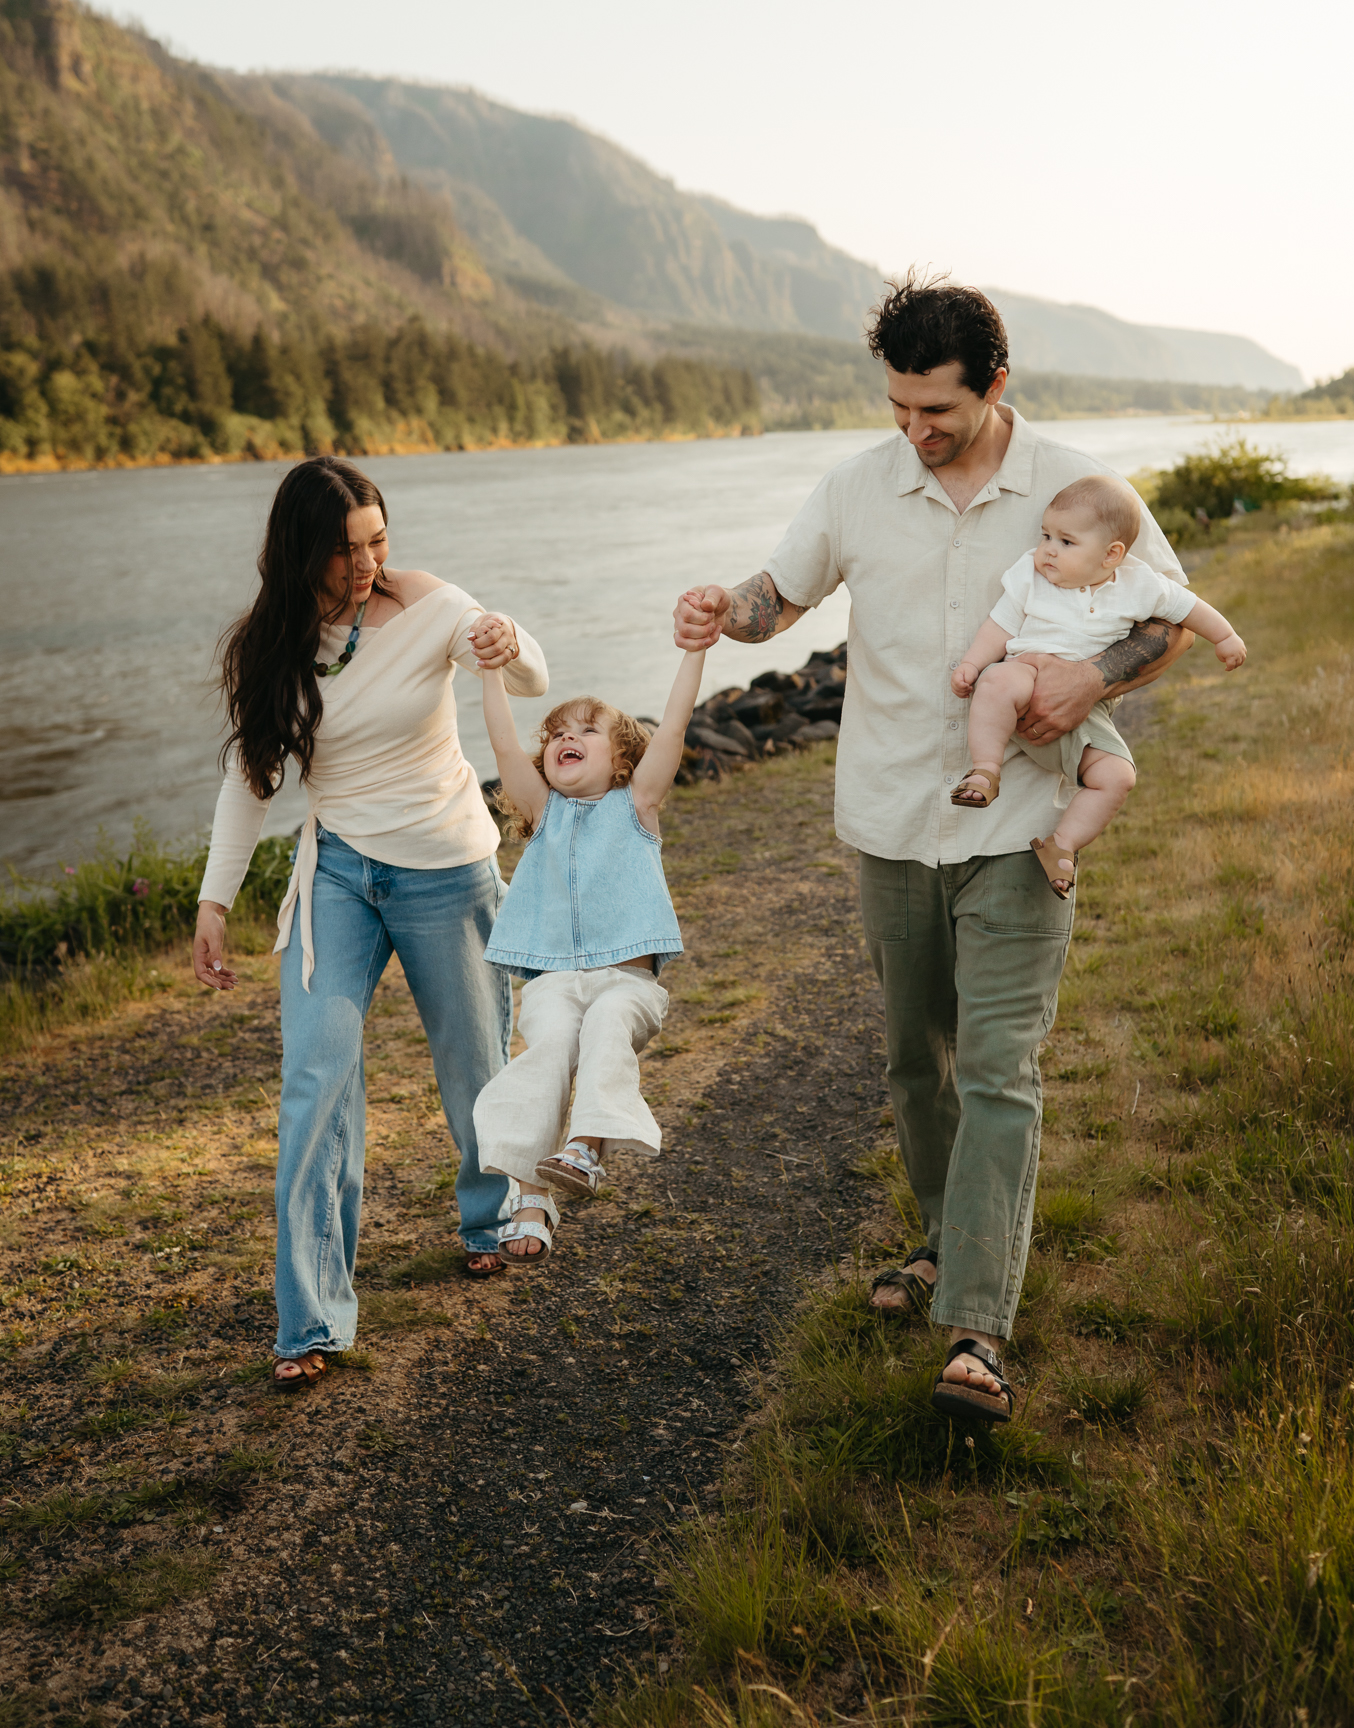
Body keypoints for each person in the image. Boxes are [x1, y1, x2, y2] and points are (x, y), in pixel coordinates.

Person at [673, 272, 1194, 1427]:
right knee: (919, 1064)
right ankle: (938, 1234)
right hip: (891, 819)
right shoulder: (857, 484)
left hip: (1019, 823)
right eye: (898, 407)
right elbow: (778, 595)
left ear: (995, 385)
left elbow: (1165, 615)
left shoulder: (1076, 485)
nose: (914, 431)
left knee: (1001, 1066)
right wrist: (725, 606)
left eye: (937, 411)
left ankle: (975, 1327)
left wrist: (1085, 676)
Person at [192, 456, 548, 1389]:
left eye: (378, 539)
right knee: (315, 1081)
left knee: (476, 1062)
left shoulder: (430, 604)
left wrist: (508, 640)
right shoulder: (272, 646)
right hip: (338, 877)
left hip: (446, 865)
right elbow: (248, 782)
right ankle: (309, 1321)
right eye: (348, 547)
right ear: (301, 550)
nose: (368, 562)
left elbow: (533, 671)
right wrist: (213, 902)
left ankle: (489, 1216)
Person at [469, 646, 706, 1261]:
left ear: (624, 760)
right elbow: (500, 747)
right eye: (555, 734)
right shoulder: (544, 812)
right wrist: (489, 671)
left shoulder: (638, 808)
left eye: (586, 731)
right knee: (544, 1056)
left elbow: (674, 727)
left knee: (604, 1028)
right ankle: (529, 1198)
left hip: (627, 986)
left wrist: (694, 653)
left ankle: (587, 1148)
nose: (565, 738)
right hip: (555, 983)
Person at [950, 471, 1247, 895]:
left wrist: (1226, 636)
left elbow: (1189, 609)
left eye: (1066, 542)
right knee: (997, 680)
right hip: (1027, 673)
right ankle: (984, 771)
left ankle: (1062, 845)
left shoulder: (1138, 584)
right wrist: (972, 664)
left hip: (1087, 709)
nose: (1048, 550)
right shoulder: (1029, 578)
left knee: (1119, 776)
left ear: (1111, 555)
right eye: (1046, 536)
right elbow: (999, 626)